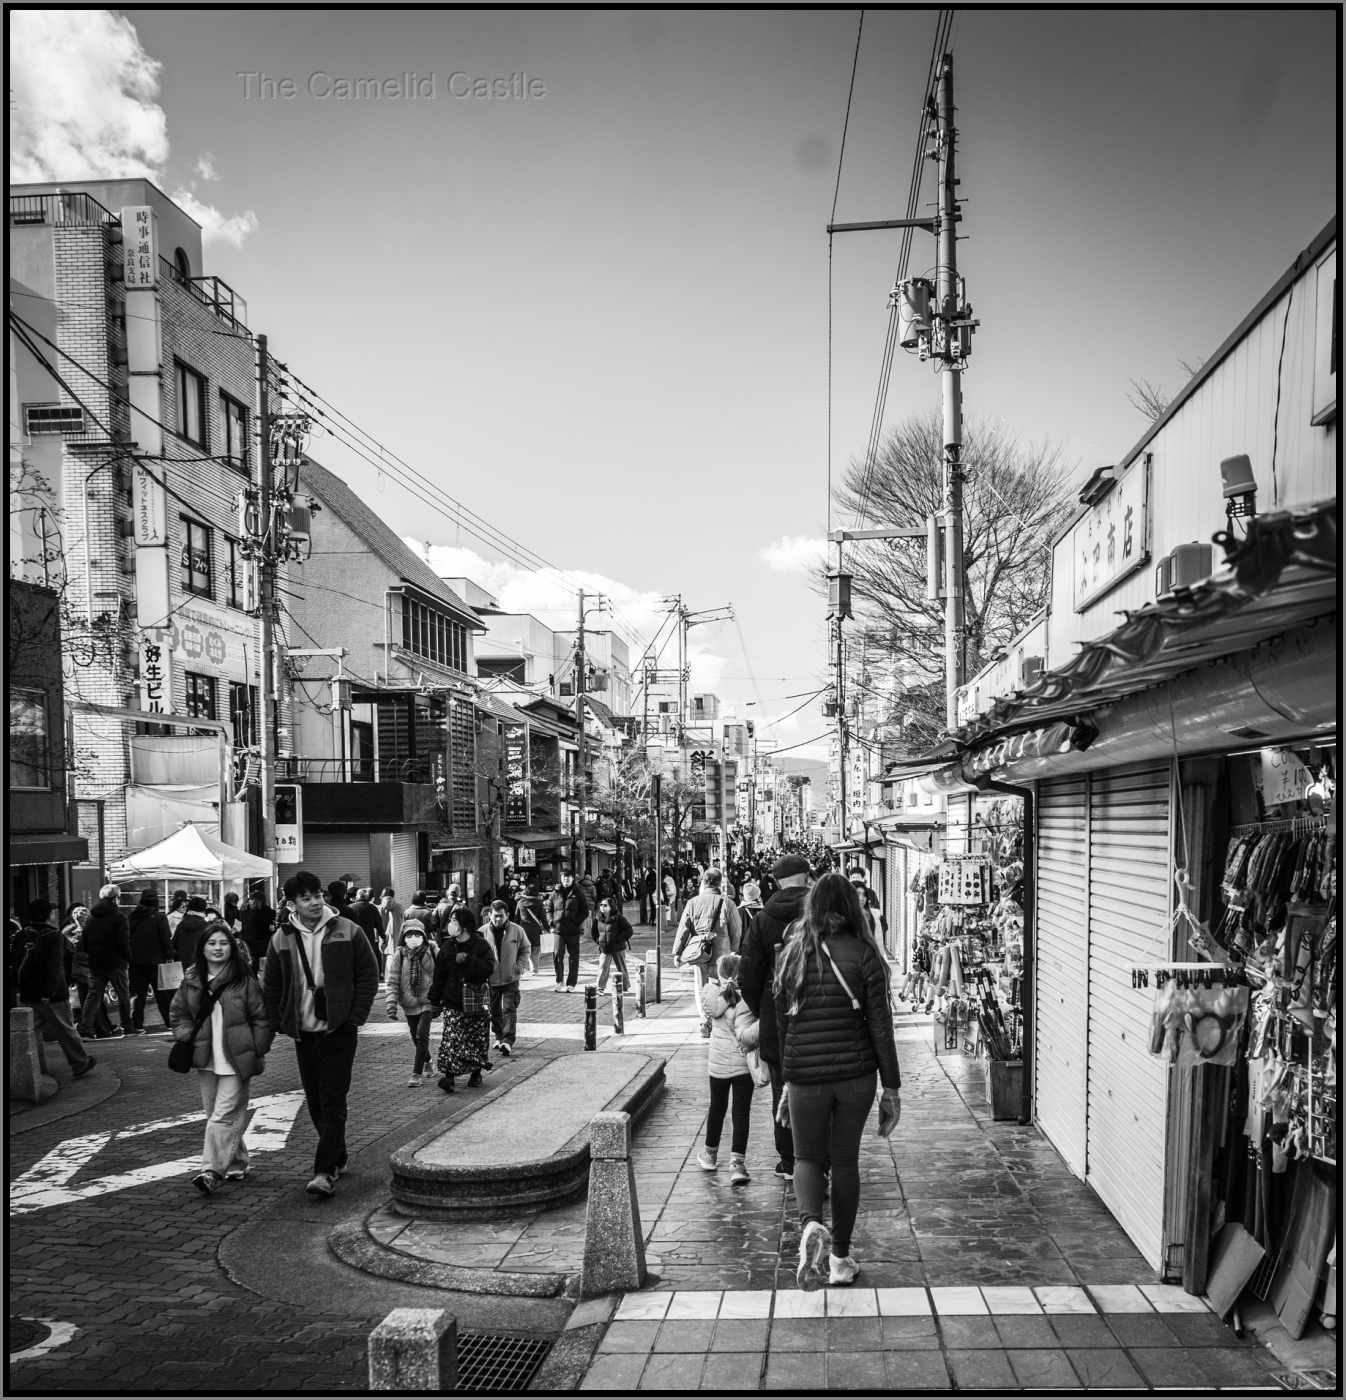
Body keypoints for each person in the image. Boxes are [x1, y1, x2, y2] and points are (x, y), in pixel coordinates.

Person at [774, 872, 902, 1290]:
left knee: (807, 1158)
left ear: (812, 907)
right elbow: (881, 1027)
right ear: (852, 907)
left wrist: (787, 1083)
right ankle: (839, 1260)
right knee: (844, 1160)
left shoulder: (792, 954)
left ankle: (811, 1224)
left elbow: (783, 1026)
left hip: (804, 1077)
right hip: (855, 1076)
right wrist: (892, 1089)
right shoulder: (865, 955)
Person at [262, 870, 379, 1198]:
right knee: (315, 1102)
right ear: (292, 904)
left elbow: (368, 974)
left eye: (318, 895)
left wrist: (355, 1016)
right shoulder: (282, 937)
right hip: (304, 1031)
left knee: (332, 1099)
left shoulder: (348, 929)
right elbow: (272, 983)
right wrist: (278, 1020)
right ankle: (338, 1156)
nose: (315, 902)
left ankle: (324, 1171)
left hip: (339, 1029)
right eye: (306, 898)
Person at [171, 922, 274, 1195]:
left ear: (232, 947)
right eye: (212, 943)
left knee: (223, 1115)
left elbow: (261, 1018)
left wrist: (256, 1047)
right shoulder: (192, 978)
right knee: (216, 1114)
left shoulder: (244, 980)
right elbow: (178, 1014)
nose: (218, 948)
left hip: (237, 1059)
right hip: (205, 1058)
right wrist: (188, 1036)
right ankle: (237, 1162)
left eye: (223, 943)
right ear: (203, 948)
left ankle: (211, 1171)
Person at [739, 854, 811, 1181]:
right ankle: (818, 1158)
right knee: (820, 1087)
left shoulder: (762, 919)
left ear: (777, 881)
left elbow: (748, 976)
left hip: (776, 1015)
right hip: (819, 1012)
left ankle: (789, 1159)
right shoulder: (821, 912)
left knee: (782, 1088)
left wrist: (763, 1009)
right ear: (807, 877)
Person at [14, 899, 97, 1078]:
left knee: (25, 1032)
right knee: (66, 1030)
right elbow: (54, 967)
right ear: (49, 915)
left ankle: (18, 1068)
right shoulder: (54, 936)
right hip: (52, 994)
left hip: (28, 992)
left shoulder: (22, 934)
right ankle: (80, 1064)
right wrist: (50, 992)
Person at [698, 953, 756, 1184]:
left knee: (716, 1108)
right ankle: (737, 1164)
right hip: (743, 1065)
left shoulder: (713, 997)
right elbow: (747, 1035)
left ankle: (709, 1156)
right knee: (741, 1113)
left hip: (717, 1064)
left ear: (720, 975)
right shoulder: (747, 1000)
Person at [427, 907, 496, 1092]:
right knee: (452, 1039)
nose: (450, 925)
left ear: (465, 926)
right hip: (453, 1002)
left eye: (454, 921)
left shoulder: (481, 945)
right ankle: (449, 1077)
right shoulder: (447, 948)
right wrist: (434, 1001)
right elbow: (439, 977)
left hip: (476, 1001)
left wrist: (469, 960)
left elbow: (488, 969)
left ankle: (476, 1073)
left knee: (477, 1038)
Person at [673, 869, 741, 1037]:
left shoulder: (692, 902)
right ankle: (718, 1019)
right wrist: (734, 947)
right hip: (721, 950)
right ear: (719, 883)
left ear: (703, 882)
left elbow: (683, 929)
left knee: (702, 986)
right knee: (720, 984)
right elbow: (736, 928)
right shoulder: (727, 903)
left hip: (699, 949)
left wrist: (677, 952)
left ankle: (705, 1020)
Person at [384, 920, 438, 1086]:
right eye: (409, 934)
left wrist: (441, 998)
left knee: (422, 1034)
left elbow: (442, 975)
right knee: (415, 1036)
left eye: (417, 934)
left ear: (423, 935)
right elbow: (393, 980)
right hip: (409, 1002)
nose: (413, 937)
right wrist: (391, 1004)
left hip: (428, 1001)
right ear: (403, 937)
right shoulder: (400, 954)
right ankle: (428, 1060)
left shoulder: (433, 951)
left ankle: (416, 1073)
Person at [80, 884, 135, 1037]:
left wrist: (93, 954)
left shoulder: (91, 918)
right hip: (116, 963)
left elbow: (84, 943)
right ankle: (127, 1028)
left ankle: (85, 1030)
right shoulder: (120, 917)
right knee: (123, 995)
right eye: (119, 897)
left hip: (96, 963)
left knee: (93, 997)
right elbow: (123, 943)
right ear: (115, 898)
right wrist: (129, 958)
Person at [484, 900, 531, 1057]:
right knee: (494, 1010)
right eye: (495, 916)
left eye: (501, 916)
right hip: (491, 979)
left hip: (511, 978)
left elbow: (526, 949)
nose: (498, 919)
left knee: (509, 1009)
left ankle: (507, 1041)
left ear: (507, 915)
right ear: (489, 915)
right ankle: (499, 1036)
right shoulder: (482, 932)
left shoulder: (517, 930)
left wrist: (519, 966)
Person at [128, 889, 176, 1032]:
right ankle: (170, 1023)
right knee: (163, 995)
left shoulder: (131, 916)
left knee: (137, 995)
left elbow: (126, 938)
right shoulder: (160, 917)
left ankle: (137, 1025)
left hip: (136, 961)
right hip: (157, 961)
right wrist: (170, 955)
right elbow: (165, 939)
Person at [548, 870, 588, 992]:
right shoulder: (554, 893)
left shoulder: (578, 893)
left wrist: (576, 921)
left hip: (573, 931)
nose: (566, 880)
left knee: (573, 957)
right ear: (561, 879)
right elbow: (549, 909)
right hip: (558, 930)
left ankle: (571, 984)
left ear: (572, 879)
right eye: (564, 878)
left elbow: (585, 911)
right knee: (557, 955)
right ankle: (559, 981)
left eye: (568, 878)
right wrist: (551, 921)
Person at [592, 895, 633, 995]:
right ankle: (600, 987)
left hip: (618, 947)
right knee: (603, 967)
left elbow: (629, 930)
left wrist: (619, 939)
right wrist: (598, 941)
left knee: (621, 967)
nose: (602, 907)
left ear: (611, 907)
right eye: (601, 905)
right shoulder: (598, 918)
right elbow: (593, 931)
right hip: (605, 948)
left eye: (605, 905)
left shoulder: (619, 918)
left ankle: (625, 987)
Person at [348, 887, 387, 981]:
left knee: (356, 959)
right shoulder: (372, 908)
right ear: (367, 897)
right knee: (370, 958)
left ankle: (357, 977)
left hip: (354, 939)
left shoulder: (350, 907)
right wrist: (384, 937)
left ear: (357, 896)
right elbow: (379, 925)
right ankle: (372, 976)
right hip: (369, 938)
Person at [239, 888, 276, 977]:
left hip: (248, 939)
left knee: (253, 961)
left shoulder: (244, 909)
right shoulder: (265, 910)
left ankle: (253, 979)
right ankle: (263, 979)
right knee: (263, 960)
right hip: (262, 939)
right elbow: (274, 917)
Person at [515, 882, 549, 971]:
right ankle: (534, 969)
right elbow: (543, 918)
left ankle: (525, 968)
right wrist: (548, 928)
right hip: (535, 929)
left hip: (523, 929)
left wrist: (515, 930)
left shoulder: (520, 902)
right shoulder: (539, 903)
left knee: (523, 949)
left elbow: (517, 917)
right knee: (535, 950)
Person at [173, 896, 210, 968]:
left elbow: (174, 944)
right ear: (203, 909)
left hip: (182, 964)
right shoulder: (206, 926)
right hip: (200, 964)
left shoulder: (181, 924)